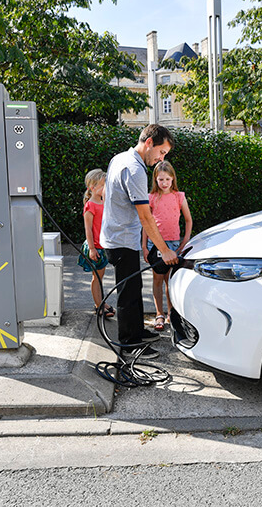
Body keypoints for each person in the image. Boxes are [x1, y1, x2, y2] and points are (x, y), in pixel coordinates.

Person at [100, 124, 179, 359]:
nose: (161, 158)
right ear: (149, 143)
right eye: (161, 152)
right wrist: (164, 250)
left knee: (134, 288)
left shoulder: (120, 158)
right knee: (128, 293)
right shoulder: (135, 169)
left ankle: (136, 332)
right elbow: (146, 216)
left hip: (118, 235)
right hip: (121, 239)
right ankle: (130, 344)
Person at [142, 160, 192, 332]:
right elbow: (146, 224)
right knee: (157, 279)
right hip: (155, 245)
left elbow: (188, 219)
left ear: (173, 179)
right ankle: (159, 313)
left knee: (170, 280)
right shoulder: (151, 198)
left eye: (167, 180)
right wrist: (144, 246)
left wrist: (185, 240)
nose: (164, 183)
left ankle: (172, 311)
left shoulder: (179, 197)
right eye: (160, 179)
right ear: (155, 180)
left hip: (174, 244)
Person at [77, 169, 115, 318]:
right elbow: (88, 229)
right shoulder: (90, 206)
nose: (106, 188)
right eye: (103, 185)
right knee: (97, 277)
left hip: (103, 245)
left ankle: (100, 302)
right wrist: (92, 249)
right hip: (96, 247)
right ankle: (98, 306)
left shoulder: (104, 201)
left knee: (100, 276)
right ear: (92, 187)